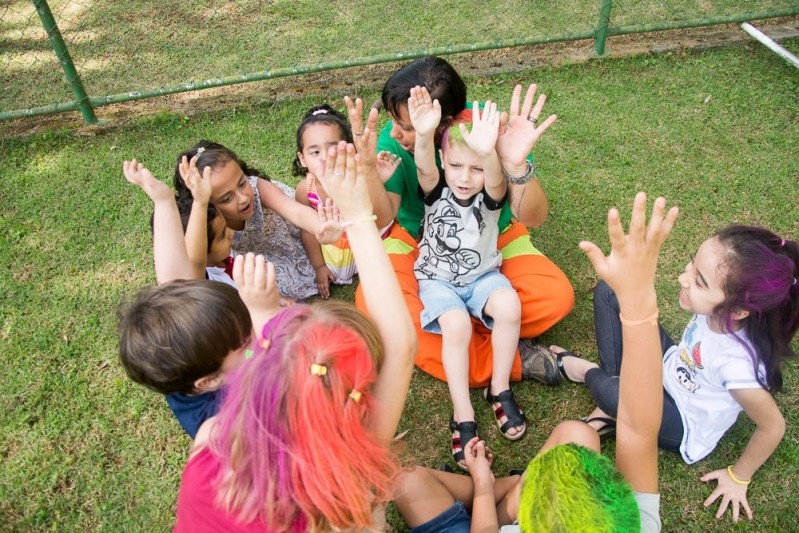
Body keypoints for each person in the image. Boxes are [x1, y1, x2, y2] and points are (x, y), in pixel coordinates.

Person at [394, 192, 678, 532]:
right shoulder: (637, 525)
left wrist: (483, 482)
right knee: (577, 434)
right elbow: (637, 427)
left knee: (406, 482)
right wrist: (637, 300)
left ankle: (503, 494)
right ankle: (513, 489)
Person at [172, 142, 417, 532]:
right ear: (354, 407)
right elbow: (401, 343)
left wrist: (261, 313)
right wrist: (358, 216)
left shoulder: (210, 440)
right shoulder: (348, 473)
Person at [349, 56, 575, 388]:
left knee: (555, 297)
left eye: (409, 127)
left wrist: (514, 164)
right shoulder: (390, 138)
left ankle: (457, 323)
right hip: (417, 241)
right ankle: (514, 356)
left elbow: (534, 216)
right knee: (373, 302)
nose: (395, 133)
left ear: (445, 122)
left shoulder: (487, 129)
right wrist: (369, 168)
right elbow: (383, 216)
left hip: (492, 239)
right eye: (394, 120)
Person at [553, 225, 797, 522]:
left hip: (680, 421)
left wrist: (739, 476)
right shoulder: (715, 312)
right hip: (667, 367)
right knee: (611, 292)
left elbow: (773, 427)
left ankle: (585, 372)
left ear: (738, 311)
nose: (684, 278)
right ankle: (615, 399)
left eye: (699, 282)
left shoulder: (736, 367)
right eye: (692, 264)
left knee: (615, 394)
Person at [408, 85, 526, 467]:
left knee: (509, 305)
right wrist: (424, 134)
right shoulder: (434, 187)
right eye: (457, 166)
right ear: (445, 162)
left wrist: (489, 151)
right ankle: (463, 414)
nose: (464, 177)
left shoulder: (489, 194)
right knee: (456, 325)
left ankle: (500, 389)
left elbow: (495, 182)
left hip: (481, 277)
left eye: (475, 168)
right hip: (438, 280)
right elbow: (425, 163)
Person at [121, 159, 282, 438]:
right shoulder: (225, 421)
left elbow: (180, 275)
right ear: (210, 381)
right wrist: (264, 321)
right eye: (243, 340)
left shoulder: (193, 348)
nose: (249, 339)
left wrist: (163, 201)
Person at [173, 140, 340, 302]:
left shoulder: (257, 187)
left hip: (287, 241)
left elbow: (295, 211)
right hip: (258, 262)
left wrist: (320, 227)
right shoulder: (210, 226)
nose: (243, 198)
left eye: (242, 183)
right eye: (226, 199)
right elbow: (195, 261)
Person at [292, 104, 399, 298]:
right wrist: (318, 267)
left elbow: (377, 217)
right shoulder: (305, 190)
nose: (324, 158)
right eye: (315, 152)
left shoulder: (356, 178)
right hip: (334, 251)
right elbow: (307, 231)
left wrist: (376, 181)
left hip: (366, 244)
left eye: (333, 149)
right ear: (302, 158)